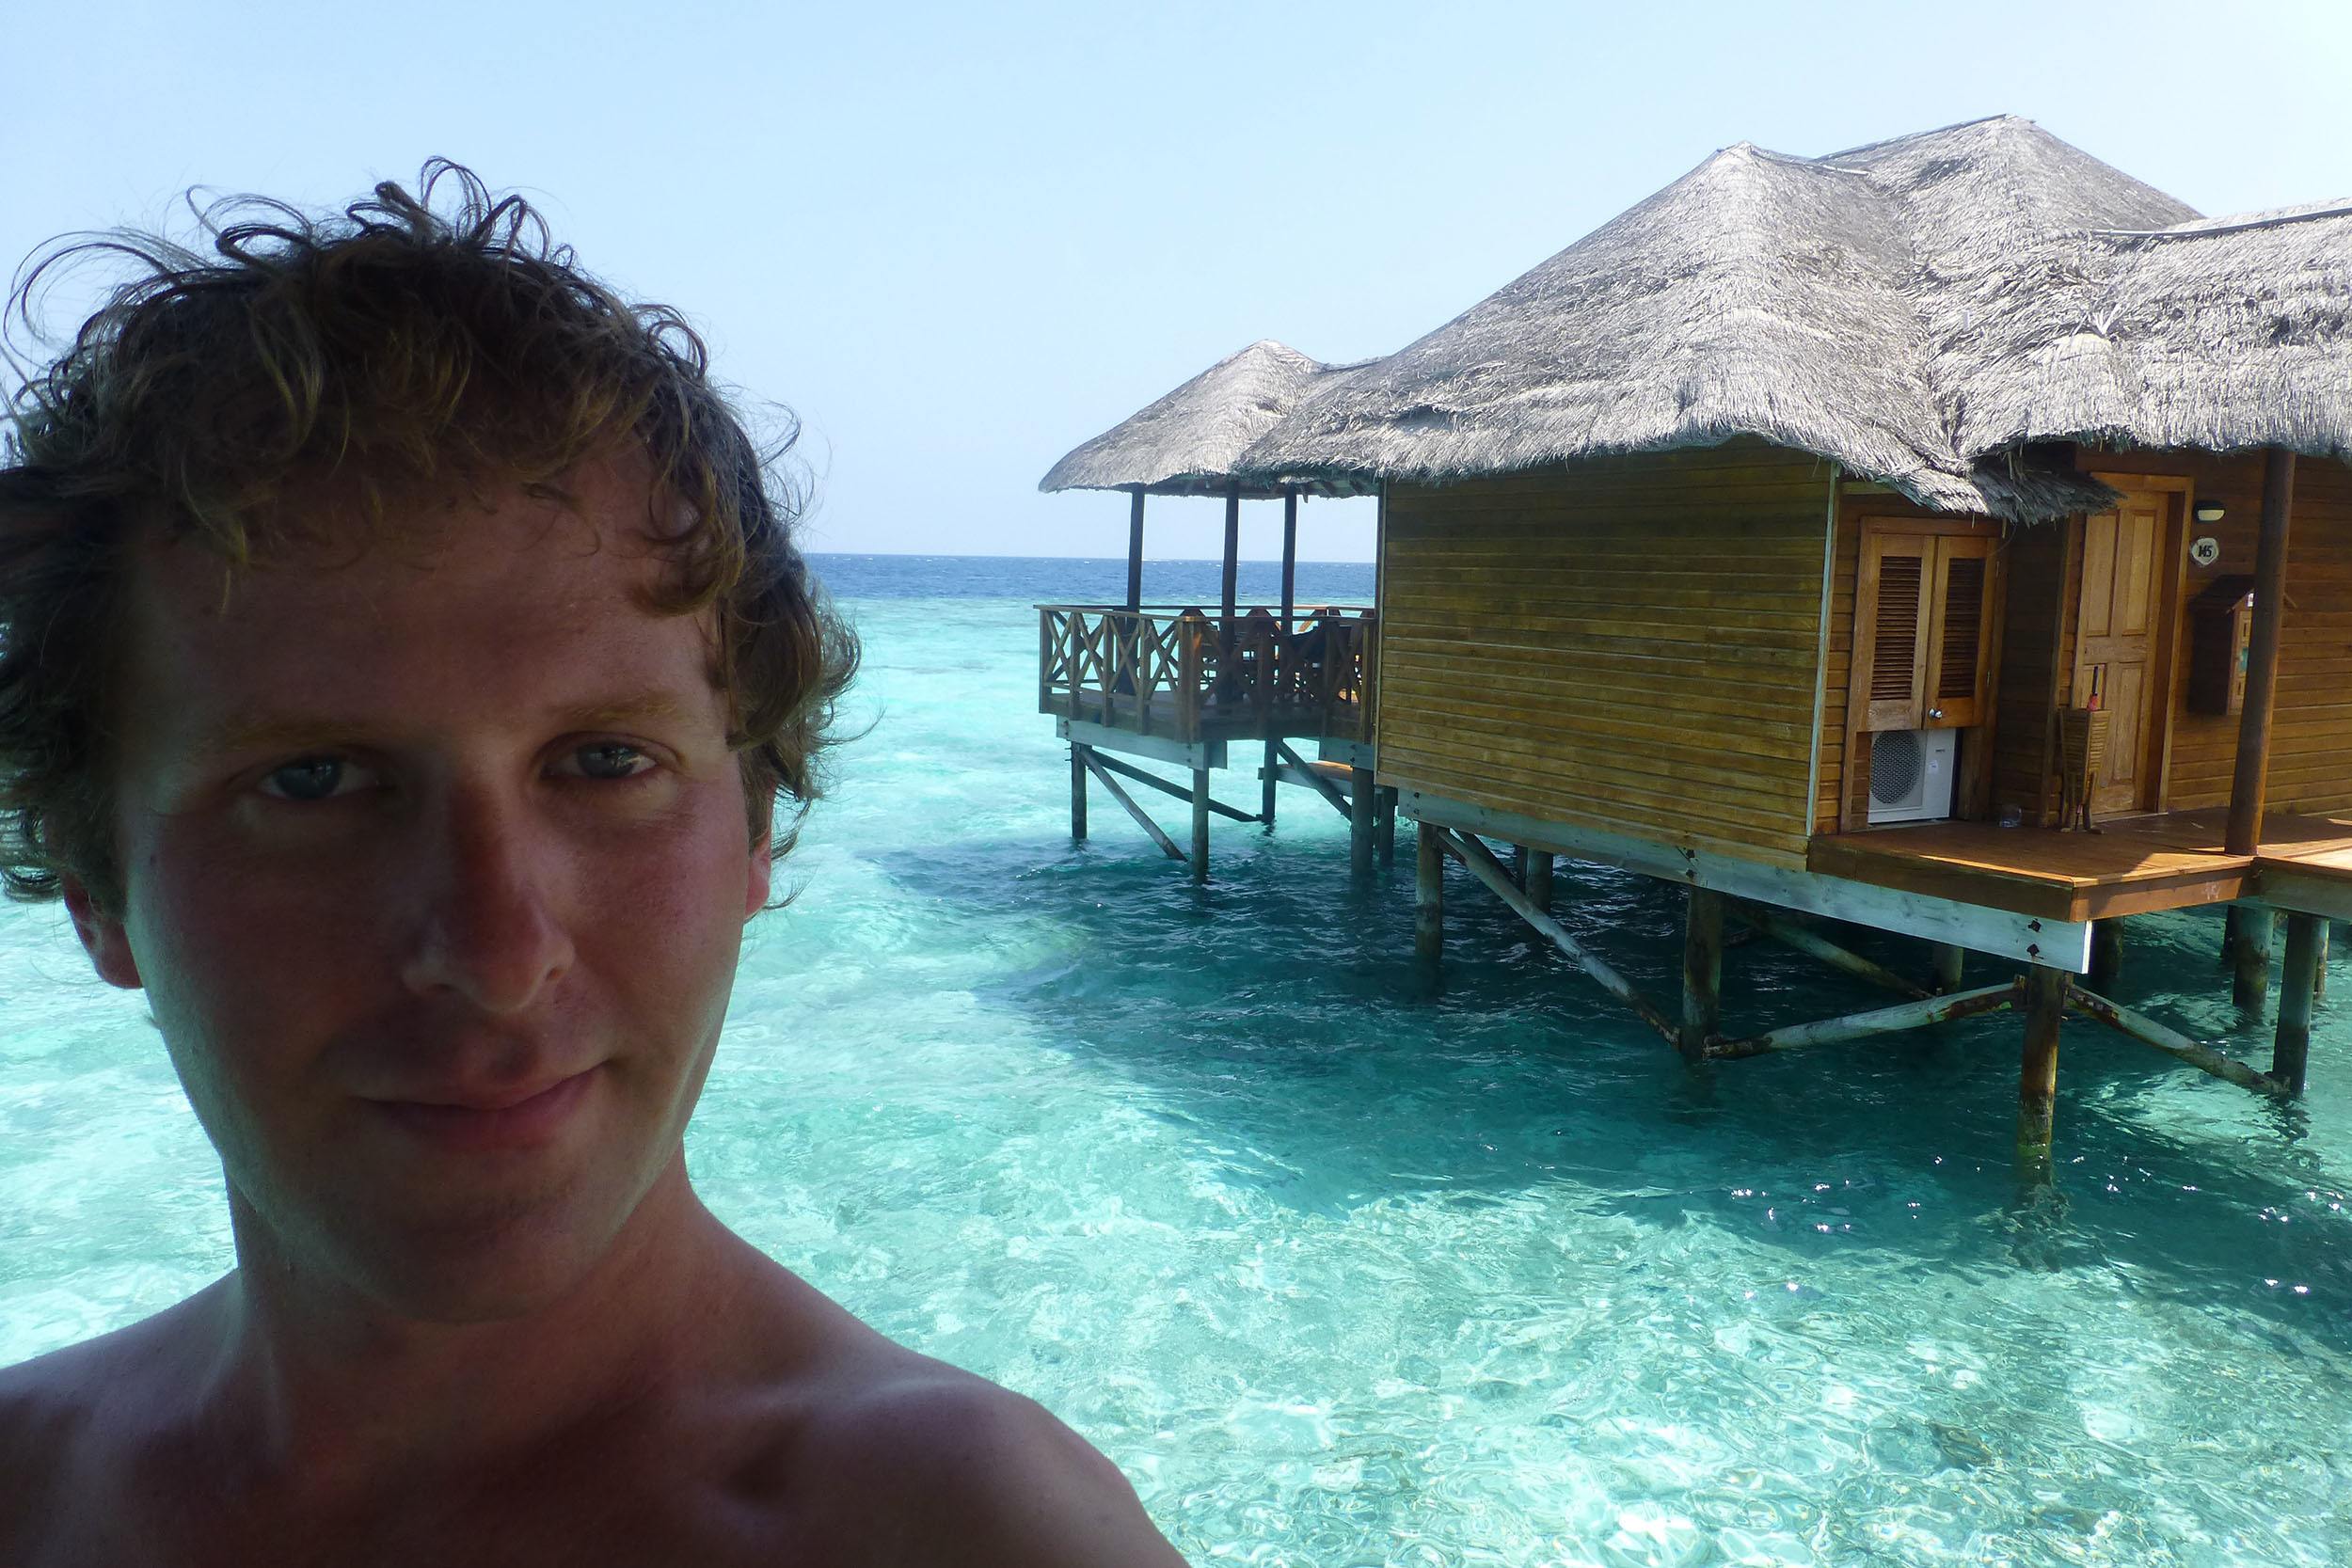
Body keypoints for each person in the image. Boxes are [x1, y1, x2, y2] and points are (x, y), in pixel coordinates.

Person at [0, 165, 1189, 1566]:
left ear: (756, 821)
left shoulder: (966, 1530)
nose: (501, 958)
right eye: (312, 782)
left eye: (606, 763)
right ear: (94, 882)